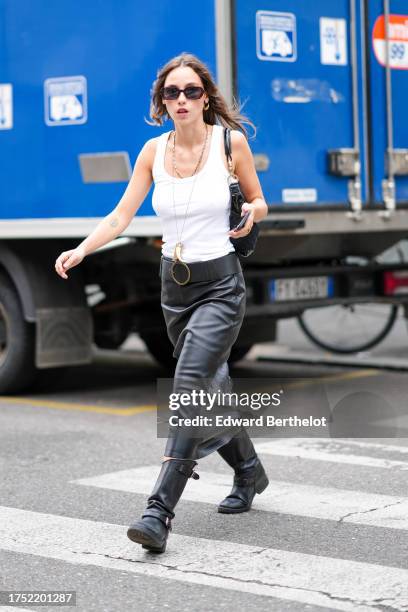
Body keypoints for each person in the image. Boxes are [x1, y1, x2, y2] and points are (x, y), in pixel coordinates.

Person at [54, 52, 269, 554]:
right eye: (172, 93)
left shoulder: (229, 143)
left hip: (220, 284)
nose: (181, 100)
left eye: (191, 91)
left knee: (189, 386)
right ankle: (249, 470)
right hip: (174, 288)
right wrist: (83, 248)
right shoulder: (153, 151)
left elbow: (260, 200)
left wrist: (252, 214)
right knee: (209, 388)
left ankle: (159, 512)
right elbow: (121, 214)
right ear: (162, 101)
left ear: (206, 98)